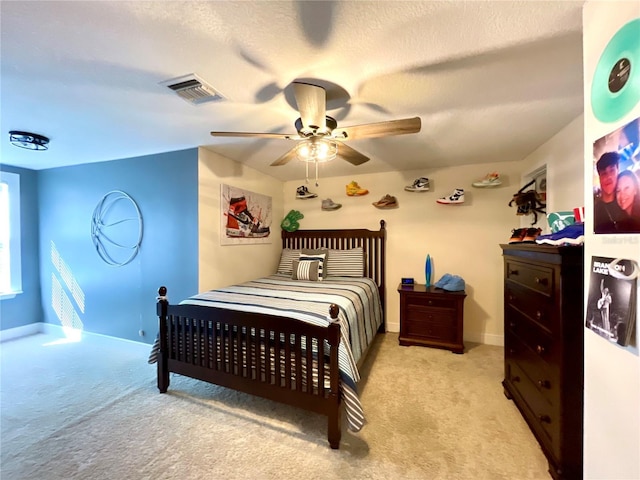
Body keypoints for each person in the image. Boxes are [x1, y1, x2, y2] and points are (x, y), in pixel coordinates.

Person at [593, 151, 625, 233]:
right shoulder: (594, 210)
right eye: (604, 173)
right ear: (599, 177)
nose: (608, 177)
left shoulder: (626, 203)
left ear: (618, 170)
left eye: (612, 170)